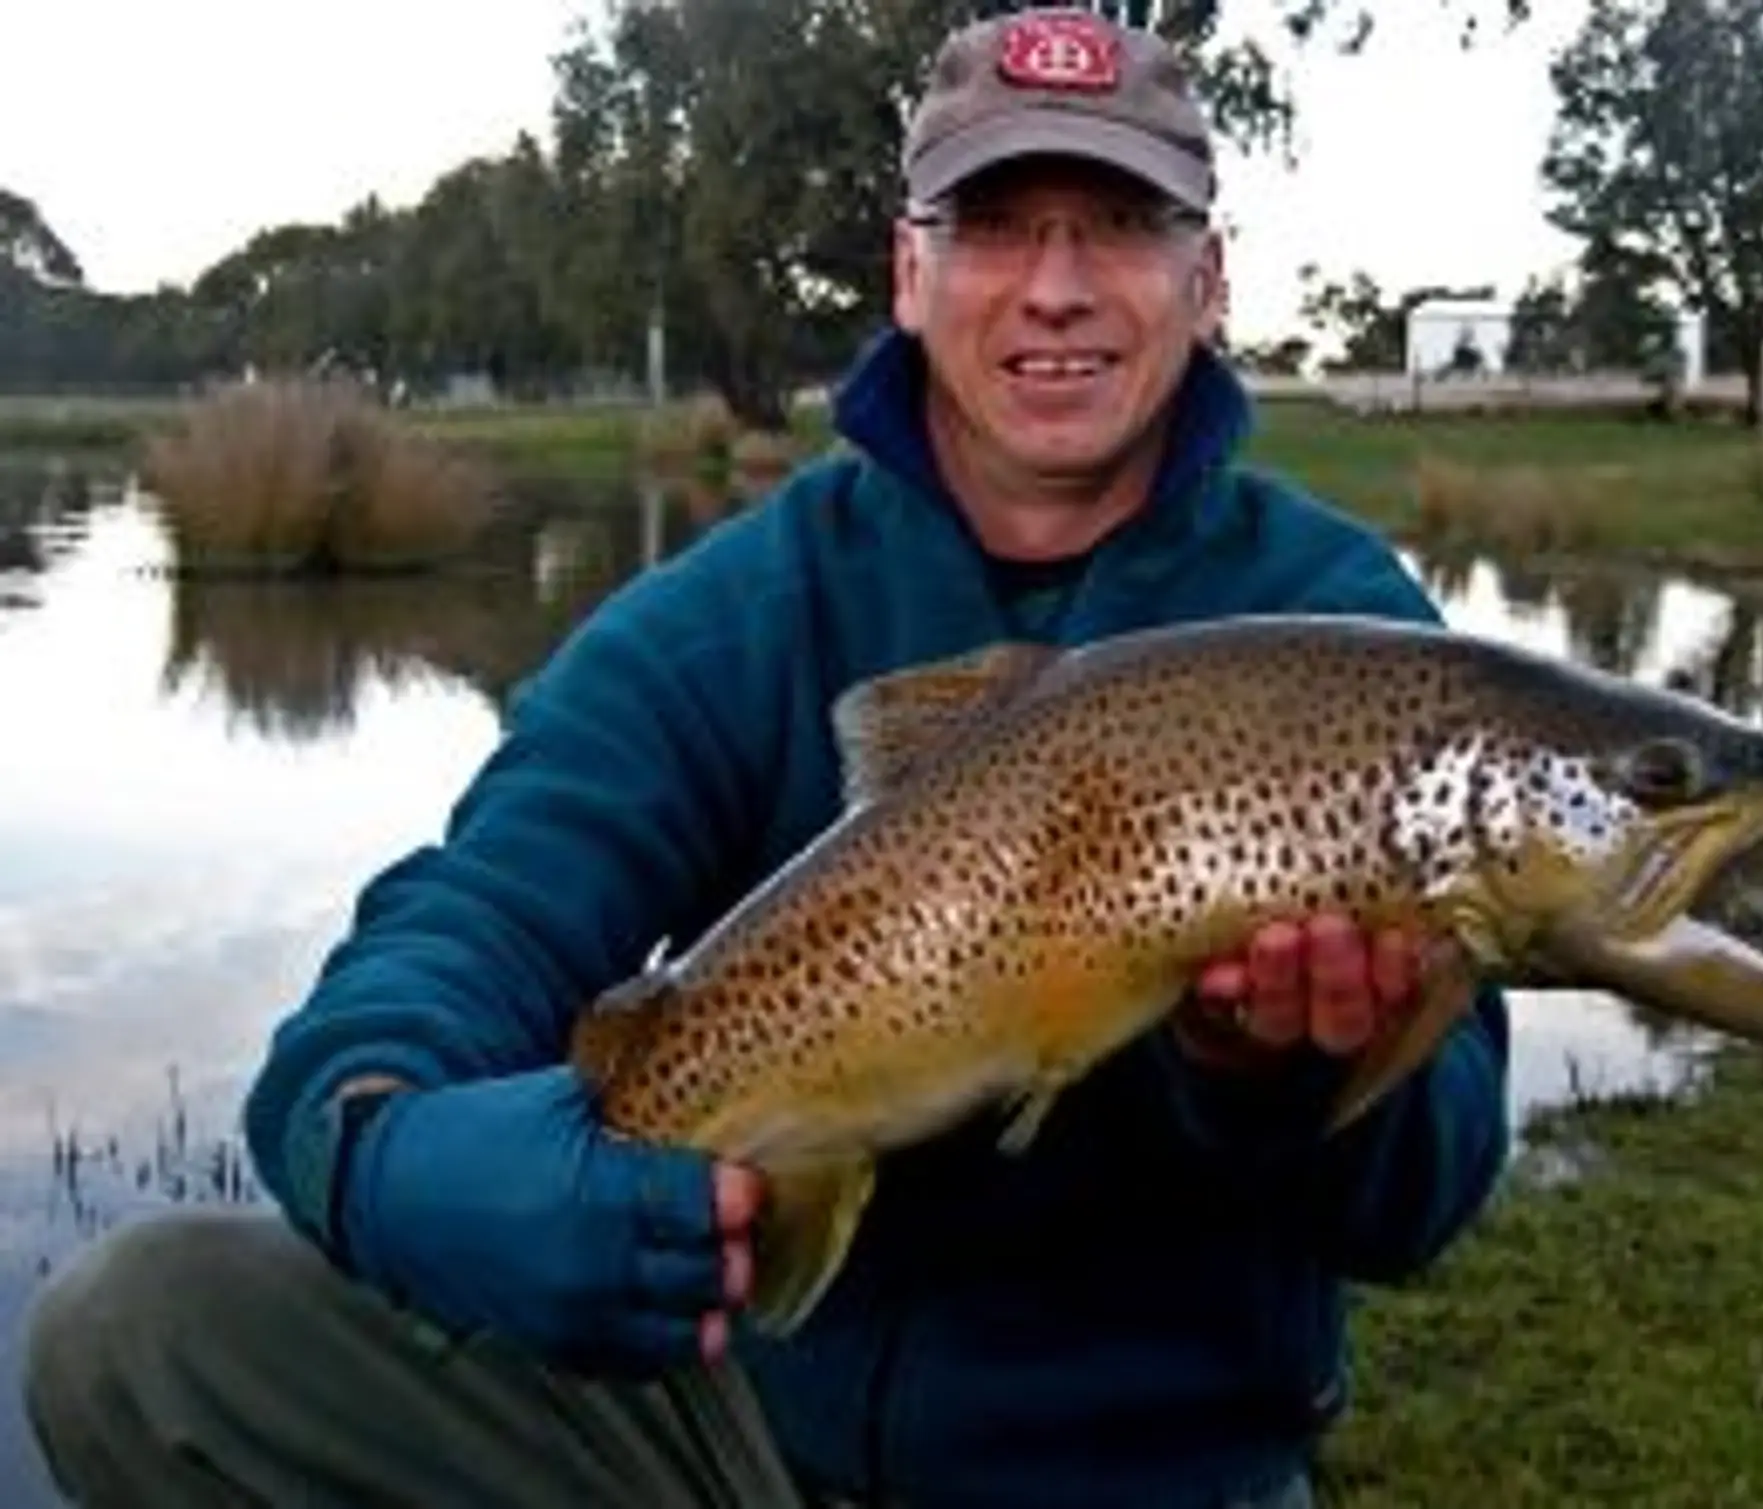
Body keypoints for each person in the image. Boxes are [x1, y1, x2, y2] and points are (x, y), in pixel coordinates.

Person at [20, 10, 1510, 1508]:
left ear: (1209, 278)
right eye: (995, 225)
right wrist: (377, 1145)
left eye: (1122, 224)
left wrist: (1277, 1087)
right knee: (139, 1337)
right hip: (741, 1435)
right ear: (910, 273)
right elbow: (486, 911)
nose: (1057, 286)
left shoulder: (1341, 631)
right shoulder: (739, 611)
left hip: (1157, 1478)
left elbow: (1427, 1197)